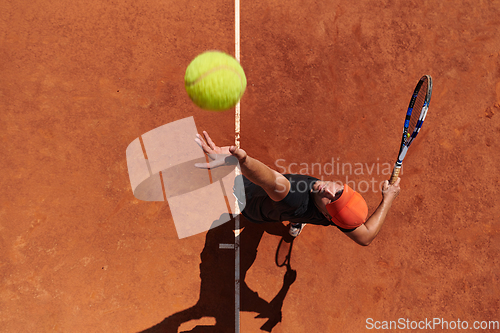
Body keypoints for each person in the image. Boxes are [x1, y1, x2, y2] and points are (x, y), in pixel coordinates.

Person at [195, 131, 401, 246]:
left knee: (252, 188)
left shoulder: (294, 197)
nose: (328, 190)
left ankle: (293, 218)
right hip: (296, 212)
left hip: (251, 204)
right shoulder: (338, 217)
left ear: (329, 216)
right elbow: (365, 237)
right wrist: (388, 198)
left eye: (332, 200)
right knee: (294, 211)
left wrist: (242, 162)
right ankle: (297, 222)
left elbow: (271, 180)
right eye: (339, 191)